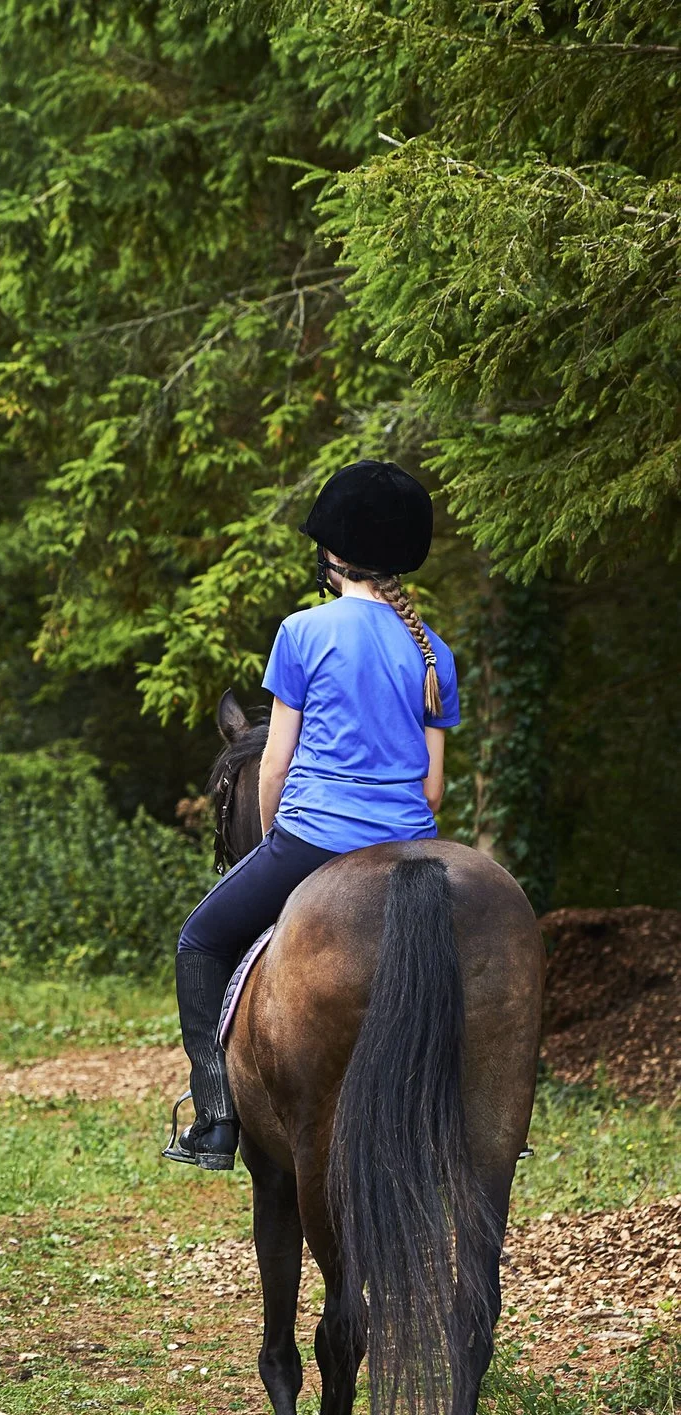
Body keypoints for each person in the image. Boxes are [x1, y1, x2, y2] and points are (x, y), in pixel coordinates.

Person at [165, 459, 460, 1169]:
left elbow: (274, 764)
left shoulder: (301, 631)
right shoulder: (434, 653)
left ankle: (215, 1118)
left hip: (317, 839)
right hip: (412, 846)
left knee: (199, 941)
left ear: (333, 552)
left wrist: (274, 844)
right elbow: (432, 793)